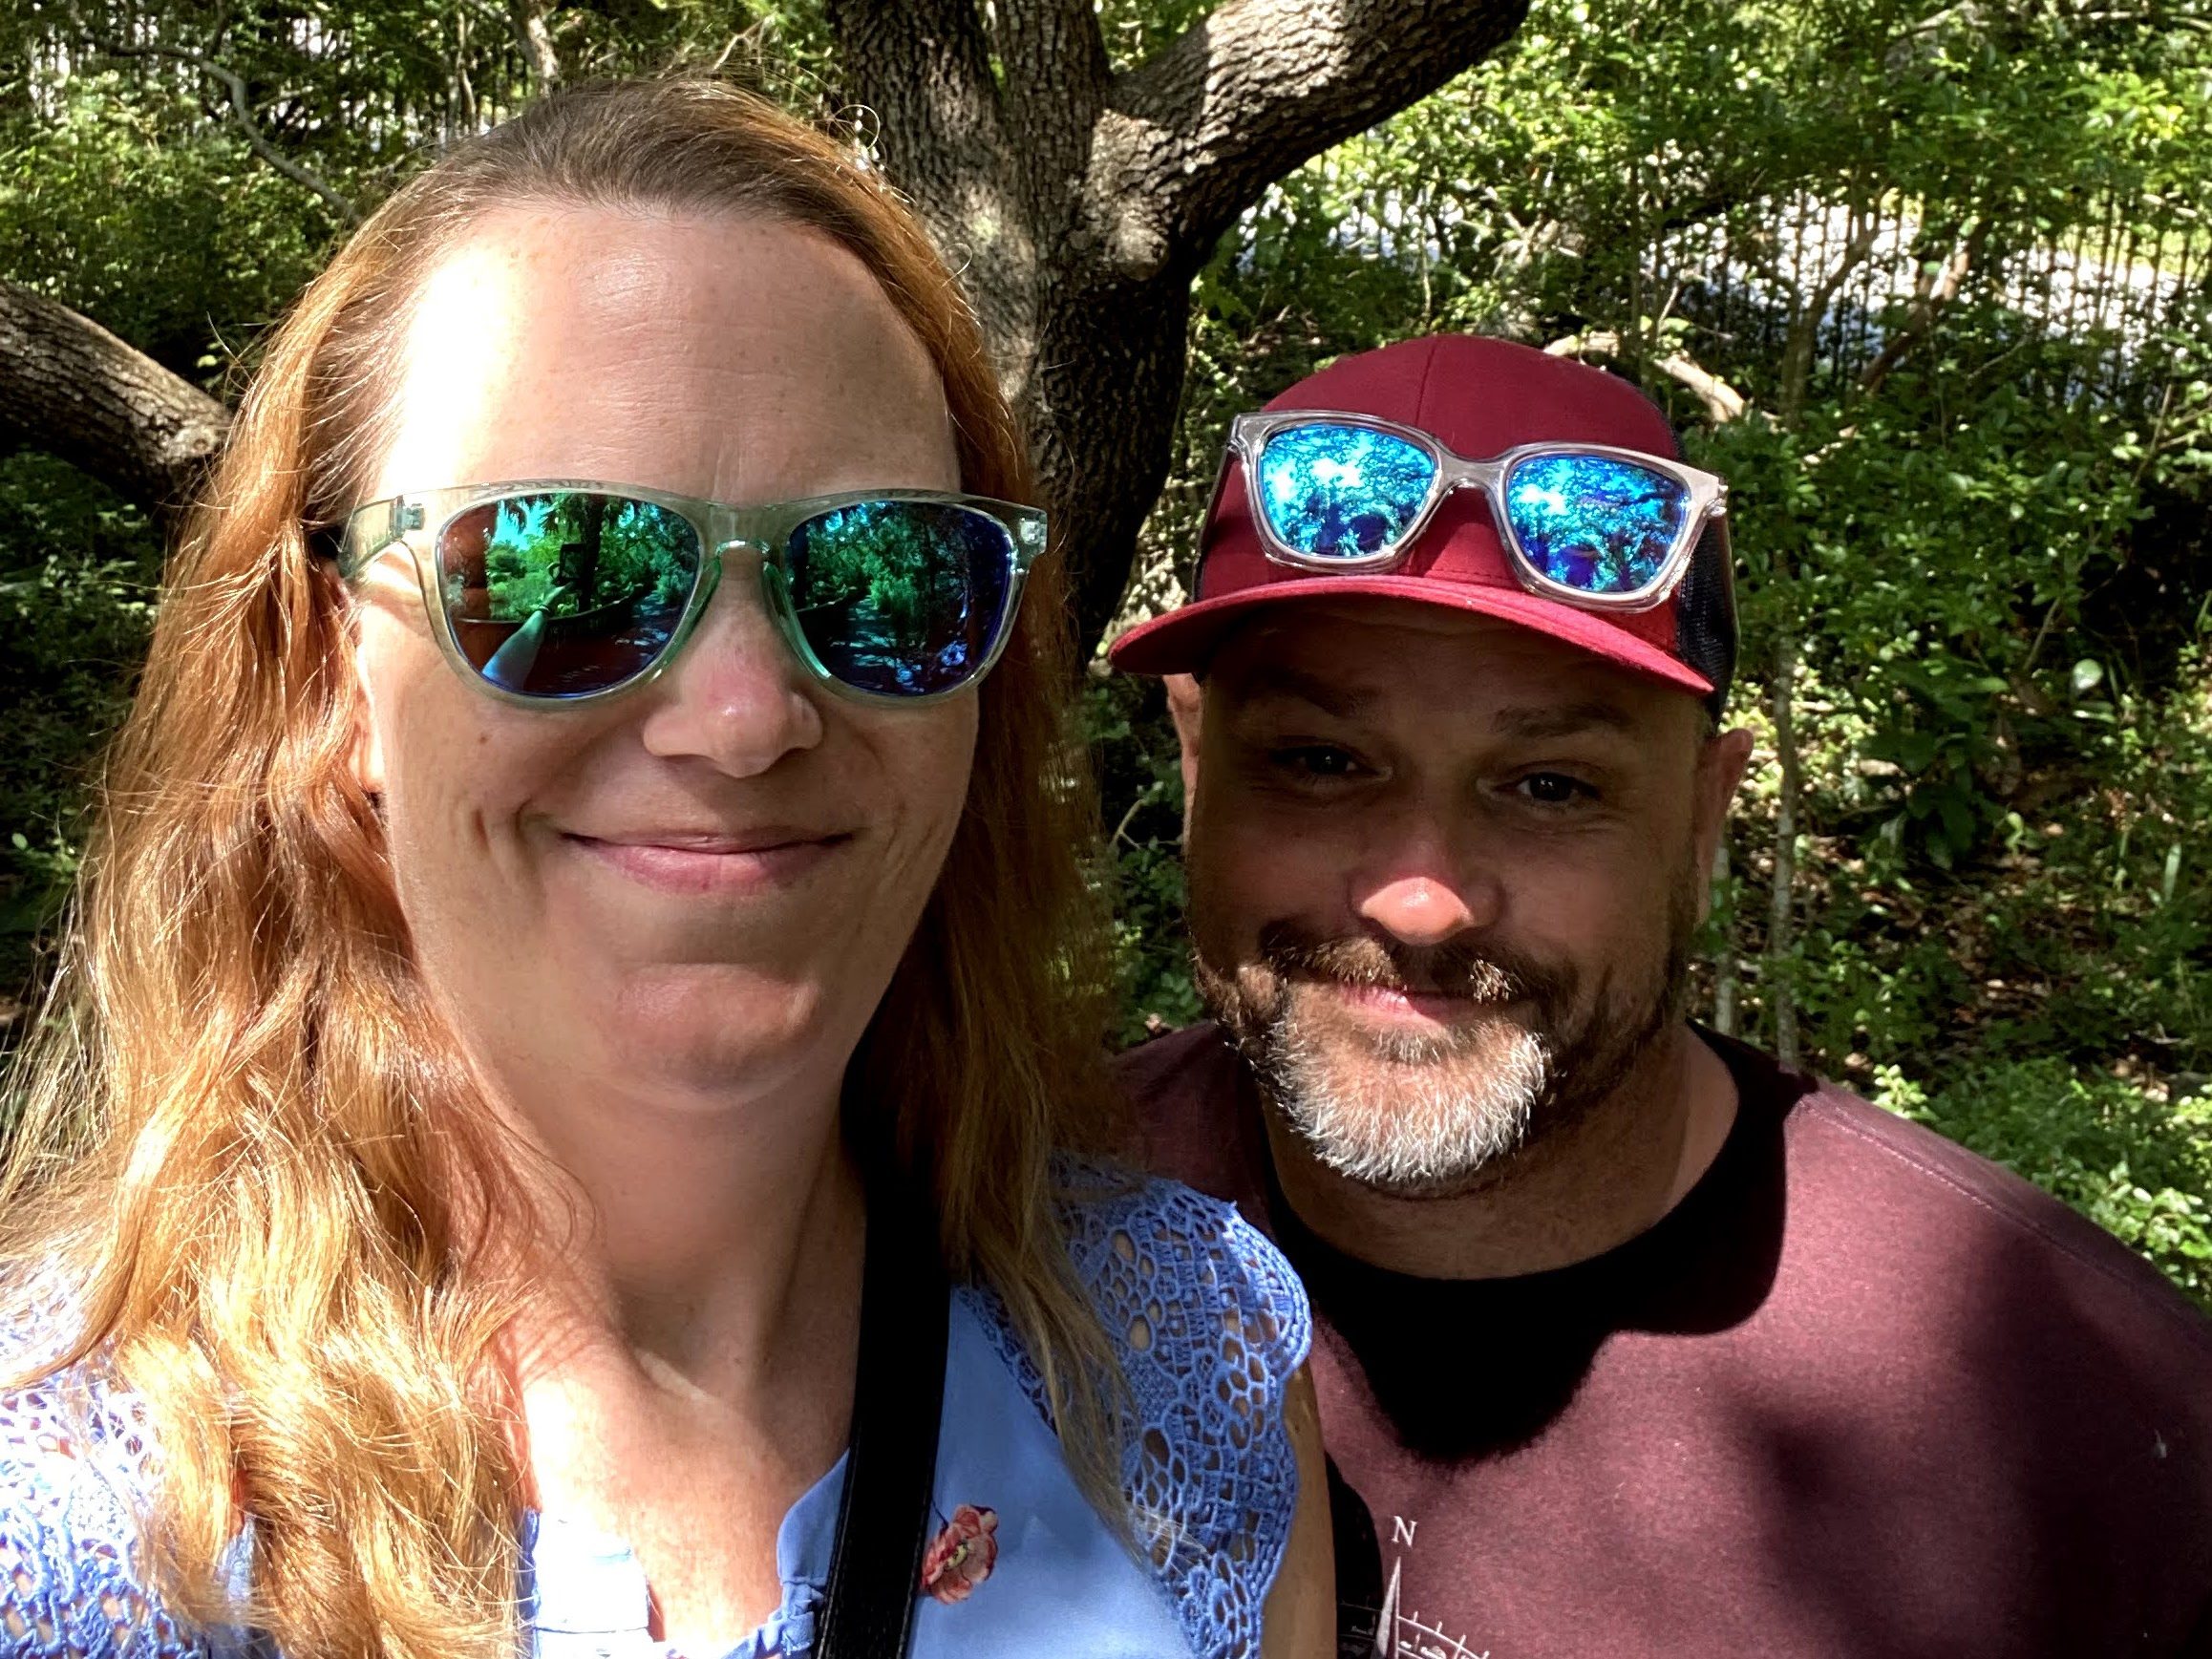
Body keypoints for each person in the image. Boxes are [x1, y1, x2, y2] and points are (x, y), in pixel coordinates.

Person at [0, 79, 1334, 1659]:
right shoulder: (71, 1523)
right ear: (329, 674)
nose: (748, 716)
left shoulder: (1183, 1371)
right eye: (561, 569)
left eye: (886, 574)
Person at [1109, 333, 2212, 1658]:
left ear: (1701, 817)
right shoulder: (985, 1216)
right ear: (1195, 764)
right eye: (1321, 760)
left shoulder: (2098, 1442)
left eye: (1550, 786)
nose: (1419, 898)